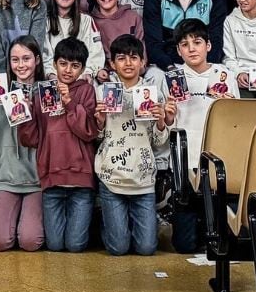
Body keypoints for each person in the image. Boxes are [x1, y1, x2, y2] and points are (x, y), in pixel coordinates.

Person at [95, 34, 174, 256]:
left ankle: (122, 223)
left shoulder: (153, 93)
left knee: (147, 248)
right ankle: (107, 223)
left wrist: (161, 121)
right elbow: (97, 138)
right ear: (112, 64)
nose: (128, 63)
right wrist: (99, 121)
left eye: (133, 58)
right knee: (118, 248)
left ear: (143, 62)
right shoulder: (103, 92)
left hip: (143, 179)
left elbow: (159, 142)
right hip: (112, 177)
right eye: (121, 58)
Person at [17, 37, 98, 252]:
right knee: (53, 245)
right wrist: (25, 115)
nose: (68, 70)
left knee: (75, 246)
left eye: (75, 65)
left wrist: (70, 102)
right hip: (52, 180)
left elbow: (89, 131)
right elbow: (31, 139)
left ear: (82, 68)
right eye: (63, 63)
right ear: (54, 64)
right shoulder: (41, 92)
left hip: (81, 182)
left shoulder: (87, 91)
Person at [167, 18, 231, 253]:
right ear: (178, 50)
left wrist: (230, 107)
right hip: (184, 160)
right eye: (184, 44)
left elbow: (235, 123)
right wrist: (168, 113)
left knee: (216, 238)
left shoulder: (224, 74)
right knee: (184, 245)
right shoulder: (173, 76)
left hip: (216, 159)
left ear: (209, 46)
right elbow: (167, 124)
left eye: (197, 42)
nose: (191, 48)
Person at [42, 0, 104, 81]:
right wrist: (51, 74)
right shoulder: (44, 21)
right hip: (53, 79)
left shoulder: (86, 20)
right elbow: (44, 55)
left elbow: (95, 52)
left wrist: (87, 73)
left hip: (81, 79)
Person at [90, 0, 144, 80]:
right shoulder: (89, 21)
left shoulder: (133, 18)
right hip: (104, 76)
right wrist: (101, 71)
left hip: (133, 73)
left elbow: (142, 57)